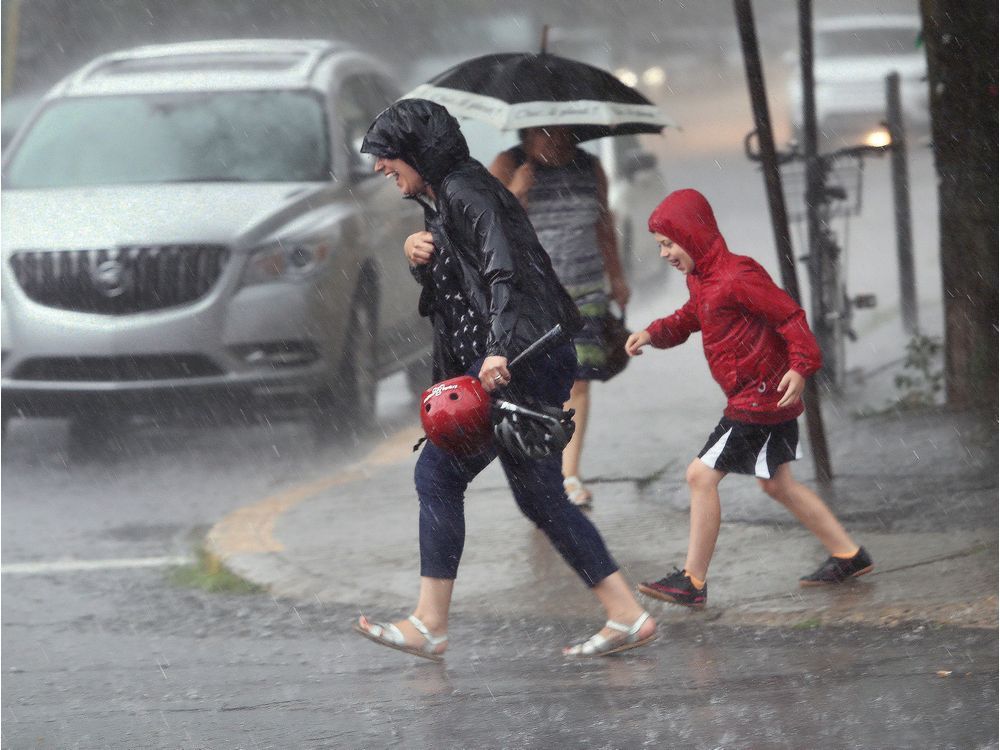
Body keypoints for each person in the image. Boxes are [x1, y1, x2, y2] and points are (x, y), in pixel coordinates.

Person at [352, 99, 657, 659]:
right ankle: (626, 612)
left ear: (418, 152)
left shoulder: (468, 192)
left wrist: (496, 351)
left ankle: (429, 623)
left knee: (438, 474)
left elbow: (504, 272)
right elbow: (455, 291)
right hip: (529, 354)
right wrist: (419, 257)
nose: (379, 167)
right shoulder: (444, 198)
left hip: (518, 357)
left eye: (388, 156)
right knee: (542, 498)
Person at [625, 188, 873, 609]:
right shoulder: (702, 278)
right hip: (759, 394)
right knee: (778, 485)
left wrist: (801, 364)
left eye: (669, 242)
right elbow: (691, 316)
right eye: (660, 246)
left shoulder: (738, 275)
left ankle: (693, 580)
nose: (665, 253)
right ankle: (849, 555)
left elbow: (789, 315)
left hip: (758, 398)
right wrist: (654, 332)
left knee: (700, 476)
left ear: (693, 235)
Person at [489, 126, 631, 509]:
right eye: (540, 133)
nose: (552, 139)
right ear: (525, 133)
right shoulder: (508, 164)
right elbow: (484, 228)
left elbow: (603, 222)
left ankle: (568, 474)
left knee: (578, 381)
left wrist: (616, 276)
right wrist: (515, 193)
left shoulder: (590, 166)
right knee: (533, 386)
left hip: (584, 291)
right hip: (531, 296)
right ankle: (542, 466)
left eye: (559, 132)